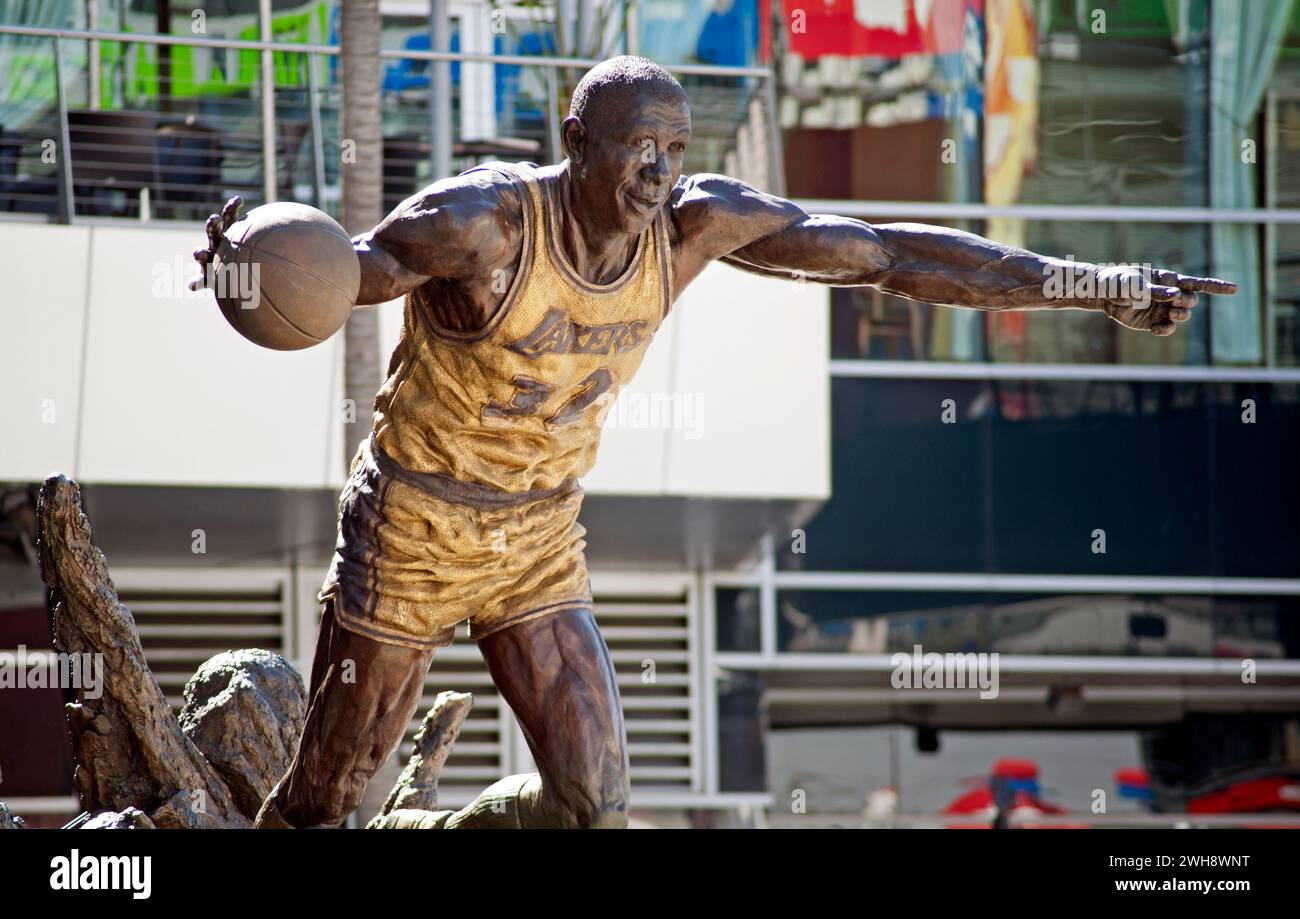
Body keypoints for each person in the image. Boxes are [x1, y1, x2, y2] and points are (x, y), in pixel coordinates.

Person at [191, 56, 1235, 829]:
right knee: (323, 799)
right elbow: (348, 271)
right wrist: (245, 260)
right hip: (413, 529)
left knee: (593, 805)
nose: (658, 170)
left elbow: (886, 255)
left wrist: (1093, 284)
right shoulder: (483, 224)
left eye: (677, 149)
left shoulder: (692, 226)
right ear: (576, 141)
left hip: (536, 539)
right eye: (637, 147)